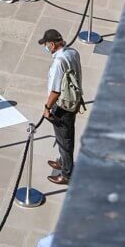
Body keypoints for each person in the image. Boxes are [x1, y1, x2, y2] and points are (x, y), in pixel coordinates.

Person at [39, 28, 84, 184]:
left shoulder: (58, 62)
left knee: (65, 139)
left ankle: (66, 174)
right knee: (65, 137)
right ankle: (63, 162)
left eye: (46, 44)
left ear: (52, 44)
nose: (45, 47)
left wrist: (47, 108)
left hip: (63, 106)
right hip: (73, 101)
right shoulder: (72, 52)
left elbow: (56, 91)